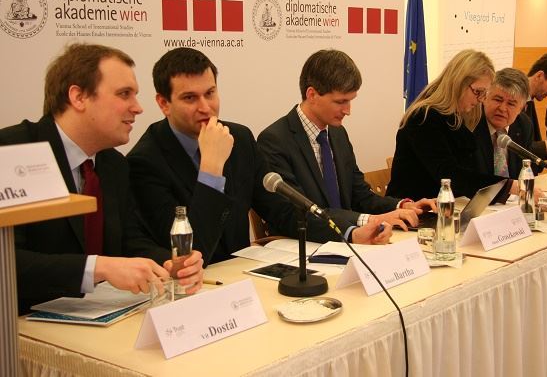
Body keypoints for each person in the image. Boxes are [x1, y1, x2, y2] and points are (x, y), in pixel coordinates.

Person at [127, 48, 393, 263]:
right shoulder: (145, 162)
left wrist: (351, 233)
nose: (205, 107)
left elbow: (284, 212)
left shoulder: (240, 138)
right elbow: (188, 253)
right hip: (190, 288)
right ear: (164, 103)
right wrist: (211, 168)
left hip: (241, 275)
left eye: (210, 93)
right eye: (189, 98)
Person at [0, 43, 203, 314]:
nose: (138, 108)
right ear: (78, 97)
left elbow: (130, 242)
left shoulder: (113, 164)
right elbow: (9, 262)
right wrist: (97, 267)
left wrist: (172, 264)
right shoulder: (11, 152)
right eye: (124, 94)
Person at [257, 49, 436, 242]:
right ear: (312, 95)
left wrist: (402, 206)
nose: (348, 111)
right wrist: (365, 223)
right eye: (340, 102)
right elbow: (295, 214)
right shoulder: (274, 141)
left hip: (348, 242)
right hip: (305, 246)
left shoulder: (337, 133)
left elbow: (360, 196)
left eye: (350, 101)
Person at [387, 49, 513, 202]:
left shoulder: (456, 117)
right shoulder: (423, 117)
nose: (481, 99)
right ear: (458, 83)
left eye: (484, 94)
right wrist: (507, 186)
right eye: (477, 92)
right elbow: (449, 175)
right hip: (414, 208)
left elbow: (468, 171)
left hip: (447, 205)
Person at [473, 68, 537, 181]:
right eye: (498, 100)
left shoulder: (524, 125)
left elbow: (525, 171)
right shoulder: (471, 123)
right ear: (485, 98)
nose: (502, 109)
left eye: (511, 104)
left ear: (521, 108)